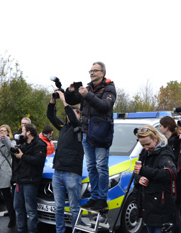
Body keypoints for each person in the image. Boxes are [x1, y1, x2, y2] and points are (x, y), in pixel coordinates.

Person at [65, 61, 116, 211]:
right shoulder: (86, 88)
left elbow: (104, 106)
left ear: (103, 73)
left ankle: (102, 199)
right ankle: (94, 197)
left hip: (101, 134)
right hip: (87, 133)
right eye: (90, 70)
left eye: (95, 70)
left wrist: (88, 95)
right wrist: (70, 91)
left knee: (101, 167)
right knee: (91, 167)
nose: (92, 73)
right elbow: (70, 100)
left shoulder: (109, 88)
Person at [47, 90, 84, 233]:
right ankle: (60, 231)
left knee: (74, 208)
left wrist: (65, 101)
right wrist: (52, 101)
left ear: (79, 115)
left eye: (75, 113)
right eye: (70, 114)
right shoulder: (63, 127)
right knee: (58, 207)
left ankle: (77, 231)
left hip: (72, 173)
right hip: (58, 173)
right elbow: (51, 116)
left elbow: (74, 121)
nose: (70, 116)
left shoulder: (80, 127)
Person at [133, 124, 177, 233]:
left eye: (148, 144)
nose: (146, 148)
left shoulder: (164, 154)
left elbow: (170, 174)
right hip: (148, 204)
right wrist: (139, 178)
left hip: (161, 207)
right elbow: (137, 171)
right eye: (142, 145)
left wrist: (144, 171)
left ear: (156, 139)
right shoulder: (145, 152)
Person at [159, 116, 181, 232]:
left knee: (175, 212)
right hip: (170, 181)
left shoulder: (177, 141)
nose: (159, 128)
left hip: (177, 181)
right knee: (172, 212)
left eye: (160, 126)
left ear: (166, 127)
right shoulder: (167, 142)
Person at [12, 123, 46, 233]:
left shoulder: (40, 144)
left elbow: (38, 161)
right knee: (18, 207)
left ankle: (32, 230)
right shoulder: (23, 144)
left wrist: (22, 156)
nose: (21, 134)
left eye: (22, 131)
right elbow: (17, 162)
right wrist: (16, 153)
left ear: (28, 132)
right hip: (20, 179)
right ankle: (21, 229)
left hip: (31, 181)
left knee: (31, 209)